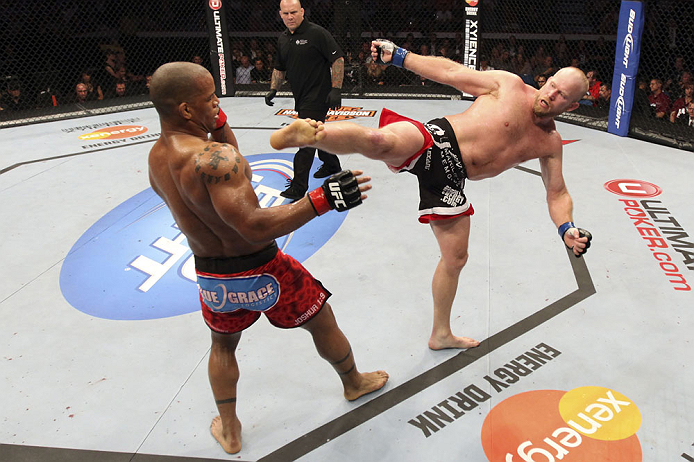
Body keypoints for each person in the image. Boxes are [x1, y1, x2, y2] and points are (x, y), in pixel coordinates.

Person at [270, 39, 593, 350]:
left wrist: (567, 228)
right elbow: (451, 74)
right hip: (437, 139)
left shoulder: (549, 143)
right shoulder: (508, 86)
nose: (550, 94)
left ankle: (440, 334)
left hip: (452, 180)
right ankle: (314, 134)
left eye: (561, 95)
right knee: (380, 142)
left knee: (456, 258)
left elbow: (557, 192)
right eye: (551, 84)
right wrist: (400, 57)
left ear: (573, 105)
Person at [147, 61, 388, 455]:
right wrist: (322, 199)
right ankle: (353, 382)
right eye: (210, 99)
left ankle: (230, 429)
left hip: (213, 279)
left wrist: (218, 122)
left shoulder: (158, 161)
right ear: (186, 110)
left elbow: (221, 172)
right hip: (265, 269)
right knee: (322, 321)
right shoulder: (216, 160)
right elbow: (253, 224)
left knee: (223, 346)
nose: (217, 105)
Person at [265, 0, 344, 201]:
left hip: (318, 95)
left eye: (293, 12)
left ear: (302, 12)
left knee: (305, 141)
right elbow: (279, 67)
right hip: (300, 96)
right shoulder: (283, 39)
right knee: (317, 132)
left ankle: (299, 187)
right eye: (285, 13)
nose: (290, 17)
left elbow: (337, 59)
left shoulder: (317, 33)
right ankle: (332, 165)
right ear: (280, 14)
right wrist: (273, 88)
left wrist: (336, 89)